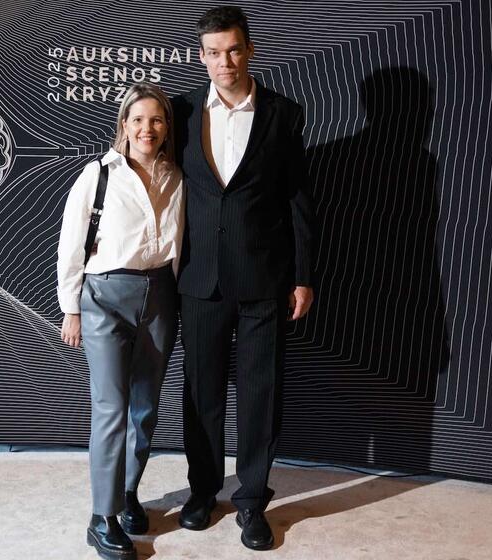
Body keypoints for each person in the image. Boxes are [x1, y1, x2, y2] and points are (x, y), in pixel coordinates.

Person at [171, 6, 315, 551]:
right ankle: (203, 491)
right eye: (213, 53)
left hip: (265, 280)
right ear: (201, 56)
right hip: (199, 279)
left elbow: (298, 200)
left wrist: (303, 275)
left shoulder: (284, 113)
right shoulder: (180, 111)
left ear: (249, 49)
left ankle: (252, 500)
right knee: (201, 394)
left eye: (233, 50)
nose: (224, 62)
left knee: (260, 396)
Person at [57, 82, 184, 560]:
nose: (147, 128)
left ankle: (129, 493)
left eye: (156, 120)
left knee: (145, 407)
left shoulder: (177, 176)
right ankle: (101, 517)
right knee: (111, 407)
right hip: (105, 296)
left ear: (166, 127)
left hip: (160, 295)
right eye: (138, 120)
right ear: (124, 125)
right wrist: (71, 308)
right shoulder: (98, 174)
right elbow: (71, 243)